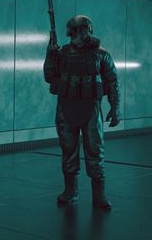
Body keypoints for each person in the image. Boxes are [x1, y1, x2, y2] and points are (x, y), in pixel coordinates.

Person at [44, 15, 120, 210]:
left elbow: (112, 82)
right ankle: (70, 191)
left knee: (95, 151)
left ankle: (99, 195)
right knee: (68, 150)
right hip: (66, 108)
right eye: (81, 29)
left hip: (91, 109)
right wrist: (50, 55)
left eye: (87, 28)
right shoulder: (61, 53)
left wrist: (115, 107)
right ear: (73, 32)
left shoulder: (101, 54)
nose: (85, 32)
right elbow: (49, 76)